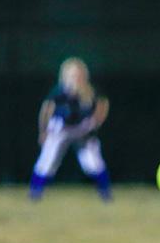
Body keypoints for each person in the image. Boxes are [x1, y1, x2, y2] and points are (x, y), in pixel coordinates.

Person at [29, 57, 112, 201]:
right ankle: (35, 192)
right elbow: (46, 109)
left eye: (79, 74)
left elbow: (103, 103)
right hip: (60, 128)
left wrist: (96, 121)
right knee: (47, 161)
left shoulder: (91, 91)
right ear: (65, 76)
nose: (76, 78)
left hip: (82, 128)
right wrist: (43, 130)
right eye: (72, 75)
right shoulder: (60, 91)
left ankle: (105, 193)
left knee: (93, 162)